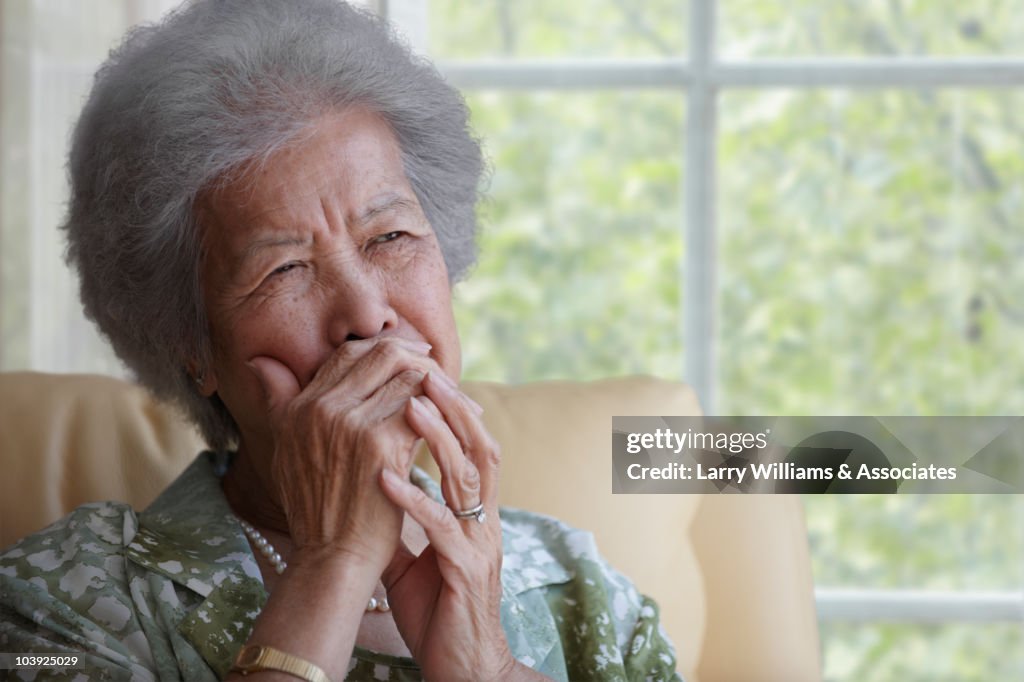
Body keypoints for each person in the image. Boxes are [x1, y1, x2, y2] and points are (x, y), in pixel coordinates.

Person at [0, 1, 682, 680]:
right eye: (286, 269)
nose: (367, 314)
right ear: (191, 345)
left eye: (390, 238)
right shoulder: (55, 605)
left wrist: (492, 671)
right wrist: (333, 562)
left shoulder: (579, 590)